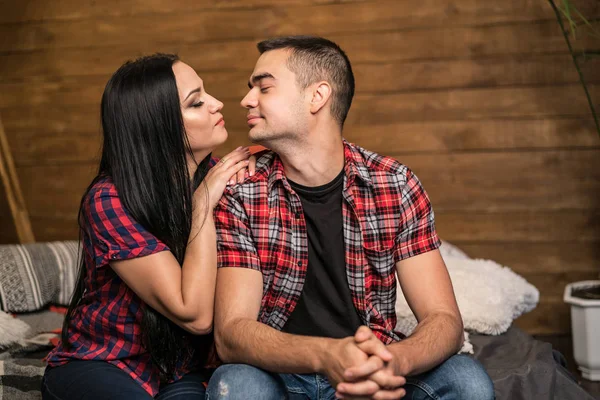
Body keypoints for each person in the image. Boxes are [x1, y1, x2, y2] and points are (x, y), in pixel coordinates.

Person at [207, 36, 495, 400]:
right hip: (283, 374)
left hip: (374, 366)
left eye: (263, 87)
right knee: (236, 386)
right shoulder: (241, 191)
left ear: (317, 96)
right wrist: (327, 355)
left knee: (467, 381)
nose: (247, 100)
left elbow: (445, 320)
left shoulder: (394, 184)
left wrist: (392, 362)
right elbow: (232, 333)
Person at [42, 53, 257, 400]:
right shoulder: (108, 200)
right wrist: (201, 204)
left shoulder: (219, 176)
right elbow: (195, 314)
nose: (217, 104)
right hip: (106, 361)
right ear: (158, 125)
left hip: (178, 368)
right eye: (197, 102)